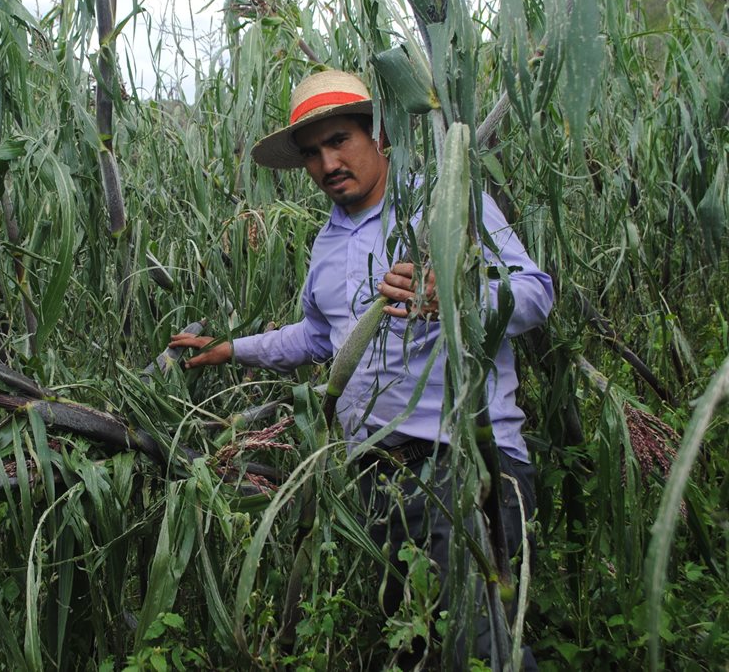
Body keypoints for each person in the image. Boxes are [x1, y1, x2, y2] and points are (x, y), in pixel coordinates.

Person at [169, 69, 554, 669]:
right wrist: (231, 350)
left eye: (340, 140)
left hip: (465, 462)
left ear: (381, 136)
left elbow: (535, 294)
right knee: (414, 647)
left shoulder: (445, 201)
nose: (327, 163)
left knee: (481, 649)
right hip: (375, 476)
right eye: (312, 153)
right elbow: (322, 338)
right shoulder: (326, 243)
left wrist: (450, 293)